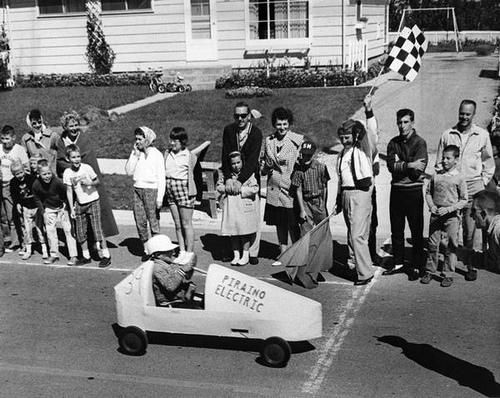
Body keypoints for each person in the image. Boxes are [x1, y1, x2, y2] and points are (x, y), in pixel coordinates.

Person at [435, 100, 494, 281]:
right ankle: (447, 267)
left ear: (473, 115)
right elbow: (439, 163)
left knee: (469, 232)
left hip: (473, 186)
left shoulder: (482, 135)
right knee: (450, 230)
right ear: (458, 112)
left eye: (468, 114)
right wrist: (445, 182)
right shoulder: (448, 135)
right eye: (462, 113)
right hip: (452, 188)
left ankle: (469, 266)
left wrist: (482, 182)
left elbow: (488, 162)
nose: (464, 117)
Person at [334, 95, 378, 286]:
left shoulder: (363, 149)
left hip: (361, 193)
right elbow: (340, 179)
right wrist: (338, 200)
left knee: (357, 234)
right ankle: (354, 265)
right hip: (346, 194)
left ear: (355, 136)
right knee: (352, 233)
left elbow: (372, 133)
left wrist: (368, 111)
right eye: (342, 137)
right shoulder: (342, 154)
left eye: (348, 137)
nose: (344, 140)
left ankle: (365, 273)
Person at [55, 111, 118, 239]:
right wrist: (71, 169)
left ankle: (97, 239)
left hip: (87, 183)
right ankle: (82, 241)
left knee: (93, 212)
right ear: (65, 127)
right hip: (73, 183)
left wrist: (80, 170)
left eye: (76, 125)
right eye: (70, 126)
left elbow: (90, 163)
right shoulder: (62, 141)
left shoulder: (84, 140)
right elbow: (60, 161)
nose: (74, 128)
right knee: (78, 213)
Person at [385, 108, 428, 281]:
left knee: (416, 230)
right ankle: (398, 262)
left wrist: (401, 165)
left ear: (412, 123)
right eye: (399, 122)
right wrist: (410, 165)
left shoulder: (420, 143)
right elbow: (390, 166)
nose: (402, 126)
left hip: (413, 191)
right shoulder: (393, 143)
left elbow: (418, 172)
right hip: (396, 190)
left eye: (406, 122)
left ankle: (417, 265)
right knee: (396, 229)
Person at [222, 102, 263, 265]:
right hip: (232, 177)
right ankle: (234, 251)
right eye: (237, 116)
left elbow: (253, 160)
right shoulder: (229, 130)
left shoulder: (256, 133)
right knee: (233, 216)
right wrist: (228, 178)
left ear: (249, 116)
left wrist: (240, 181)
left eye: (243, 116)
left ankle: (252, 252)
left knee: (250, 215)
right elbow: (225, 155)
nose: (240, 119)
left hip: (249, 177)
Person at [422, 145, 468, 287]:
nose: (445, 161)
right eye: (443, 158)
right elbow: (428, 192)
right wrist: (432, 206)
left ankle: (448, 273)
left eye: (448, 158)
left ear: (456, 160)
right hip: (436, 215)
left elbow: (464, 200)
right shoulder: (437, 175)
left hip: (451, 217)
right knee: (432, 244)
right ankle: (429, 270)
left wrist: (449, 210)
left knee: (450, 245)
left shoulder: (459, 177)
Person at [262, 107, 303, 255]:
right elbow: (264, 166)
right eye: (279, 124)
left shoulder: (297, 140)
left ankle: (297, 252)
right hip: (274, 189)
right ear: (274, 124)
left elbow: (303, 162)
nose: (282, 127)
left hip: (289, 188)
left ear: (289, 124)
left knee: (292, 223)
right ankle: (283, 252)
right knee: (279, 223)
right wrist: (266, 167)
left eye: (285, 124)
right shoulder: (268, 141)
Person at [63, 144, 111, 267]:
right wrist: (71, 208)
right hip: (80, 202)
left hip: (93, 200)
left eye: (78, 156)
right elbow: (69, 191)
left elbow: (97, 181)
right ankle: (86, 256)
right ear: (68, 159)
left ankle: (106, 255)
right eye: (73, 157)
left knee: (97, 229)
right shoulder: (67, 172)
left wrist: (90, 182)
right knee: (80, 231)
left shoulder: (87, 168)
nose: (76, 159)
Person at [125, 127, 165, 258]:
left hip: (151, 190)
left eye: (140, 139)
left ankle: (157, 250)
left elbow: (161, 177)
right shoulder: (137, 154)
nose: (137, 141)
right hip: (137, 188)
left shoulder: (156, 154)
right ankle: (146, 249)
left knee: (153, 222)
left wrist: (159, 198)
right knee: (140, 220)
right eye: (136, 139)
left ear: (147, 139)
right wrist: (134, 155)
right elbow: (129, 171)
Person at [217, 151, 259, 266]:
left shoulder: (248, 175)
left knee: (245, 232)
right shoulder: (228, 176)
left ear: (242, 162)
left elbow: (255, 188)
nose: (236, 165)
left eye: (238, 162)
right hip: (232, 207)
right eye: (233, 163)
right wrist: (227, 188)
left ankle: (245, 255)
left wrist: (241, 190)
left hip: (243, 206)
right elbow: (218, 186)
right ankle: (236, 255)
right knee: (233, 232)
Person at [32, 160, 78, 265]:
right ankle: (53, 254)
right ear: (39, 174)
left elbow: (69, 193)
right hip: (49, 207)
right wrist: (43, 213)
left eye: (49, 173)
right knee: (50, 230)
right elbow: (37, 199)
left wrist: (67, 208)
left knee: (68, 229)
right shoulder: (36, 184)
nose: (47, 176)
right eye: (44, 174)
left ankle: (73, 255)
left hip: (62, 206)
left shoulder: (57, 182)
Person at [164, 127, 197, 261]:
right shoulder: (167, 153)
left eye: (175, 141)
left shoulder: (189, 156)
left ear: (182, 141)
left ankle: (189, 253)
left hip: (183, 190)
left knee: (186, 223)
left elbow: (197, 177)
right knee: (177, 224)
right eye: (171, 140)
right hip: (170, 189)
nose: (172, 143)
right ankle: (182, 251)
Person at [10, 161, 48, 260]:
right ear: (13, 174)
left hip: (35, 206)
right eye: (17, 174)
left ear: (24, 170)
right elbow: (14, 194)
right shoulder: (13, 182)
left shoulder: (31, 179)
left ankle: (44, 248)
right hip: (26, 207)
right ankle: (28, 249)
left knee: (39, 228)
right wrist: (18, 203)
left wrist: (40, 204)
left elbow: (38, 191)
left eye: (21, 173)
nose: (19, 176)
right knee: (27, 230)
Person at [145, 234, 197, 307]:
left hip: (177, 295)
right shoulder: (158, 268)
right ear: (158, 255)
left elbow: (187, 277)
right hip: (170, 302)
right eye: (169, 251)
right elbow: (170, 286)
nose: (173, 252)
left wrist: (190, 268)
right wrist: (183, 270)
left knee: (191, 286)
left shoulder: (167, 262)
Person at [0, 125, 29, 251]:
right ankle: (7, 239)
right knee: (3, 215)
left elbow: (26, 168)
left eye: (7, 139)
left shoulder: (19, 150)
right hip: (1, 184)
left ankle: (18, 241)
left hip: (12, 186)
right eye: (2, 139)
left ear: (13, 138)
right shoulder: (0, 148)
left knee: (13, 215)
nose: (4, 142)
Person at [291, 140, 329, 229]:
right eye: (304, 155)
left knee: (322, 228)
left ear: (314, 154)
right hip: (305, 202)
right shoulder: (298, 170)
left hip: (318, 201)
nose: (306, 158)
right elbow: (298, 191)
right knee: (305, 228)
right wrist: (302, 210)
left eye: (309, 155)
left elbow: (325, 187)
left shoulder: (321, 167)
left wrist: (323, 204)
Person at [21, 109, 59, 173]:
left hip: (50, 173)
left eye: (39, 122)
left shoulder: (52, 135)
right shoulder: (26, 139)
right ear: (30, 124)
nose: (37, 125)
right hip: (36, 174)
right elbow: (24, 159)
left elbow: (61, 151)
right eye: (34, 123)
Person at [471, 190, 500, 273]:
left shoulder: (498, 231)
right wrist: (455, 250)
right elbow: (488, 260)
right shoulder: (492, 230)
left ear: (483, 213)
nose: (471, 215)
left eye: (473, 211)